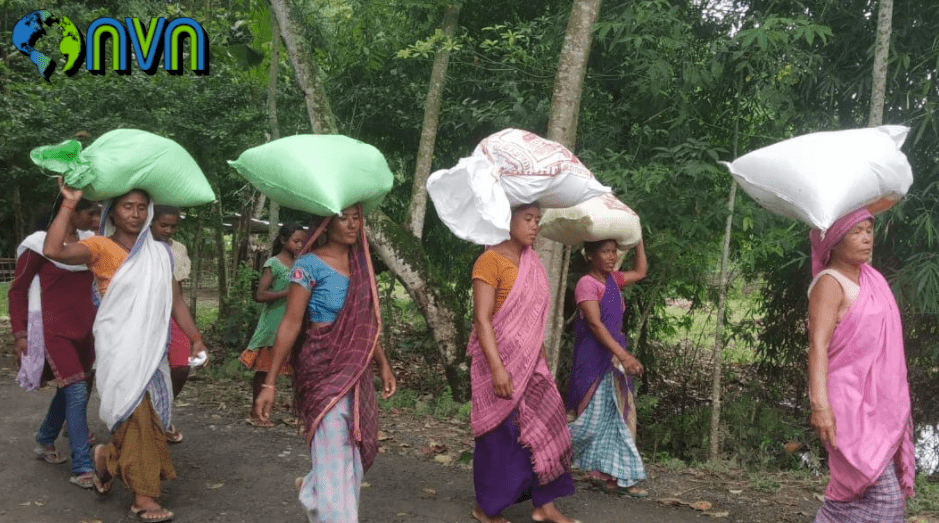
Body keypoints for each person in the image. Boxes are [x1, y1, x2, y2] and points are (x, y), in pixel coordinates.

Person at [43, 180, 208, 523]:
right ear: (112, 212)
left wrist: (194, 336)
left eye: (141, 207)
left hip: (151, 351)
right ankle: (143, 499)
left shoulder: (160, 252)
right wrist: (69, 204)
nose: (135, 213)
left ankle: (106, 460)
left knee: (149, 419)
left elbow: (175, 299)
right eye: (127, 207)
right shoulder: (99, 246)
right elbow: (54, 250)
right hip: (119, 349)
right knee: (134, 417)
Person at [253, 205, 396, 522]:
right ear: (325, 222)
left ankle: (313, 487)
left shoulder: (362, 266)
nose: (351, 224)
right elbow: (291, 323)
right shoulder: (307, 265)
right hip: (320, 367)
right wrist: (270, 382)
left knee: (354, 455)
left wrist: (383, 363)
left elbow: (366, 323)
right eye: (343, 217)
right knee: (332, 451)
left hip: (357, 371)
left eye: (356, 217)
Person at [468, 203, 579, 523]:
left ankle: (545, 505)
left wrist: (541, 361)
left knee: (550, 425)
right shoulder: (489, 262)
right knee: (501, 435)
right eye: (528, 219)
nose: (534, 226)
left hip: (532, 364)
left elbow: (533, 322)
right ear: (507, 219)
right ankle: (486, 508)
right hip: (497, 364)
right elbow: (482, 319)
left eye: (537, 220)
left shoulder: (532, 264)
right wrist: (498, 368)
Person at [807, 208, 914, 523]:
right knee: (886, 502)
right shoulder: (830, 282)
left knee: (855, 502)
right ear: (834, 241)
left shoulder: (872, 278)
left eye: (869, 229)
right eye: (856, 231)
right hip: (847, 408)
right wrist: (820, 405)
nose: (867, 237)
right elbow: (818, 346)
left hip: (878, 408)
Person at [8, 198, 99, 489]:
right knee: (75, 392)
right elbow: (17, 290)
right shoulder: (39, 245)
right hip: (53, 329)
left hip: (87, 329)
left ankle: (45, 440)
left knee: (74, 387)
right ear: (70, 210)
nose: (97, 219)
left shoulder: (91, 243)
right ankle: (84, 466)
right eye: (92, 213)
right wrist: (20, 334)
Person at [567, 239, 648, 496]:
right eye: (605, 252)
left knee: (619, 417)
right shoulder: (587, 284)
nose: (612, 257)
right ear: (590, 255)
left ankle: (616, 476)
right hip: (593, 359)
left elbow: (642, 272)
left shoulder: (614, 280)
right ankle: (544, 453)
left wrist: (639, 243)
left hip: (614, 358)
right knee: (588, 421)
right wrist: (624, 356)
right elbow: (595, 324)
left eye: (614, 252)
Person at [241, 222, 307, 427]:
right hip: (273, 325)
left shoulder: (303, 265)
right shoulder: (274, 264)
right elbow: (260, 294)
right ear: (283, 240)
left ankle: (300, 413)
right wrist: (288, 293)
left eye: (302, 242)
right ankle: (255, 412)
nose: (299, 245)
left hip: (295, 323)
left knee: (298, 368)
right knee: (265, 369)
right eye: (296, 241)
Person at [150, 205, 195, 443]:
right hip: (144, 316)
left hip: (171, 314)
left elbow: (178, 292)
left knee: (181, 365)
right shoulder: (139, 247)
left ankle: (162, 411)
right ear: (151, 222)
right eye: (163, 225)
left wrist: (193, 333)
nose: (168, 230)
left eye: (173, 226)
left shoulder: (177, 250)